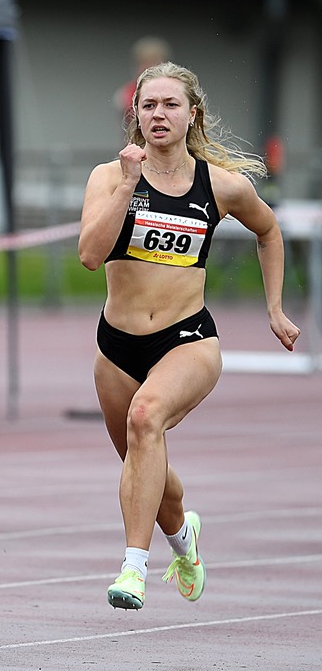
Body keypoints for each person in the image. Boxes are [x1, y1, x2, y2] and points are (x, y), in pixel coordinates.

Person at [78, 61, 299, 611]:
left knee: (145, 419)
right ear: (135, 114)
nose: (159, 114)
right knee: (146, 465)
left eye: (171, 104)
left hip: (187, 338)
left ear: (192, 114)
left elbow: (269, 231)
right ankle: (184, 541)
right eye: (148, 105)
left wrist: (274, 307)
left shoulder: (220, 186)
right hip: (117, 347)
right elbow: (89, 256)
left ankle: (133, 570)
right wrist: (128, 185)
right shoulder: (108, 177)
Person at [113, 36, 170, 126]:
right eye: (144, 63)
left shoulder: (177, 92)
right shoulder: (125, 96)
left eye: (153, 62)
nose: (148, 68)